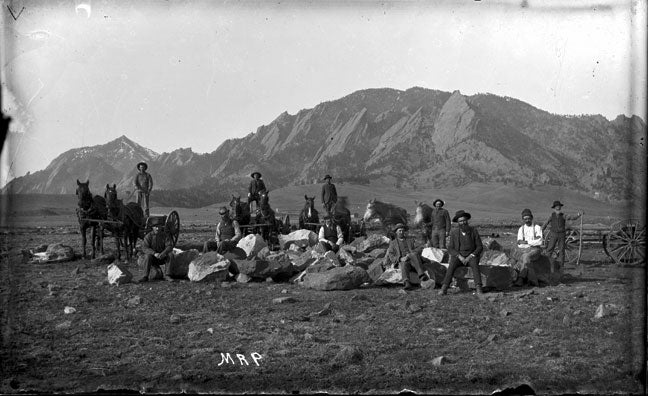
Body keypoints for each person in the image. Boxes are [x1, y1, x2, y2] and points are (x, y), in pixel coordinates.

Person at [438, 210, 484, 295]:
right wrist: (459, 256)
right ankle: (444, 287)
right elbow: (450, 248)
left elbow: (480, 247)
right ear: (458, 222)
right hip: (459, 256)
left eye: (464, 220)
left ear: (467, 220)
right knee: (451, 265)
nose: (463, 223)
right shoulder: (454, 232)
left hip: (471, 256)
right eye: (460, 221)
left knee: (475, 265)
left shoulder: (473, 231)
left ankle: (479, 288)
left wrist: (471, 256)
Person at [385, 223, 430, 291]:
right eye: (399, 230)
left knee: (413, 254)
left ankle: (421, 275)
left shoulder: (410, 240)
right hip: (403, 261)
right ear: (396, 232)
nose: (401, 232)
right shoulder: (393, 243)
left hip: (413, 260)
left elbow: (419, 248)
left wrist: (409, 255)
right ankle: (407, 283)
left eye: (403, 230)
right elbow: (391, 255)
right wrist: (400, 258)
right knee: (403, 264)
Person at [541, 200, 582, 272]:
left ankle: (561, 266)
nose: (558, 208)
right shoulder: (551, 216)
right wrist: (541, 230)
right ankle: (546, 264)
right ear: (554, 208)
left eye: (559, 207)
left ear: (560, 207)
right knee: (549, 249)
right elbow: (545, 223)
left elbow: (572, 217)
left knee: (562, 251)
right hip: (553, 234)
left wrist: (579, 214)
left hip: (561, 235)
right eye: (556, 207)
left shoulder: (563, 215)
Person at [513, 208, 544, 286]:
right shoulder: (521, 229)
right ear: (523, 220)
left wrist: (526, 242)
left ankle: (521, 278)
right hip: (524, 250)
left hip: (535, 250)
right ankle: (534, 281)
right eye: (525, 219)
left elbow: (539, 242)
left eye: (529, 218)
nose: (527, 220)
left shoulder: (537, 228)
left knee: (526, 258)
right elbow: (519, 244)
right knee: (519, 260)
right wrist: (531, 242)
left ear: (532, 218)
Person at [138, 217, 174, 282]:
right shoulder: (148, 236)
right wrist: (154, 253)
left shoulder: (165, 236)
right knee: (147, 256)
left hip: (163, 257)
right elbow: (145, 248)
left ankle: (167, 275)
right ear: (152, 227)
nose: (157, 228)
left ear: (161, 227)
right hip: (153, 258)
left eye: (159, 227)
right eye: (155, 227)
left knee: (170, 255)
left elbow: (169, 246)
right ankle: (145, 276)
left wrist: (163, 253)